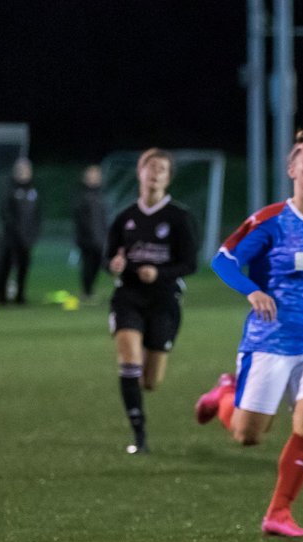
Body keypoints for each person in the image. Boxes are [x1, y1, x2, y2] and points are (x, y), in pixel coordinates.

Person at [195, 127, 303, 537]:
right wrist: (253, 291)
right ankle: (224, 397)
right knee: (247, 436)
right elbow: (223, 260)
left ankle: (279, 512)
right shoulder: (271, 221)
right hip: (269, 341)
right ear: (292, 169)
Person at [107, 148, 200, 454]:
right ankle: (140, 436)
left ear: (168, 177)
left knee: (150, 381)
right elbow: (109, 257)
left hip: (164, 300)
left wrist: (158, 272)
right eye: (151, 167)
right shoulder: (125, 218)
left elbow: (190, 264)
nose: (155, 173)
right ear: (140, 172)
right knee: (129, 363)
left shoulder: (179, 217)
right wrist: (115, 265)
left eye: (162, 169)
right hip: (128, 297)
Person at [0, 157, 42, 305]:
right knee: (7, 266)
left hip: (27, 237)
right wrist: (15, 231)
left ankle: (20, 295)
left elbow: (37, 214)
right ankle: (1, 295)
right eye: (21, 170)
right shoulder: (11, 189)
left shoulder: (33, 190)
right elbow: (5, 212)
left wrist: (33, 232)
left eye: (27, 170)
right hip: (12, 237)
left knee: (24, 267)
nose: (24, 173)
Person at [73, 164, 108, 304]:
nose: (94, 178)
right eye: (91, 175)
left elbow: (102, 219)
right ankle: (86, 291)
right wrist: (85, 236)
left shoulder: (100, 195)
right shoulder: (81, 196)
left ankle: (89, 290)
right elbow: (80, 219)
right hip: (87, 239)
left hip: (101, 238)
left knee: (98, 265)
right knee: (88, 265)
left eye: (96, 175)